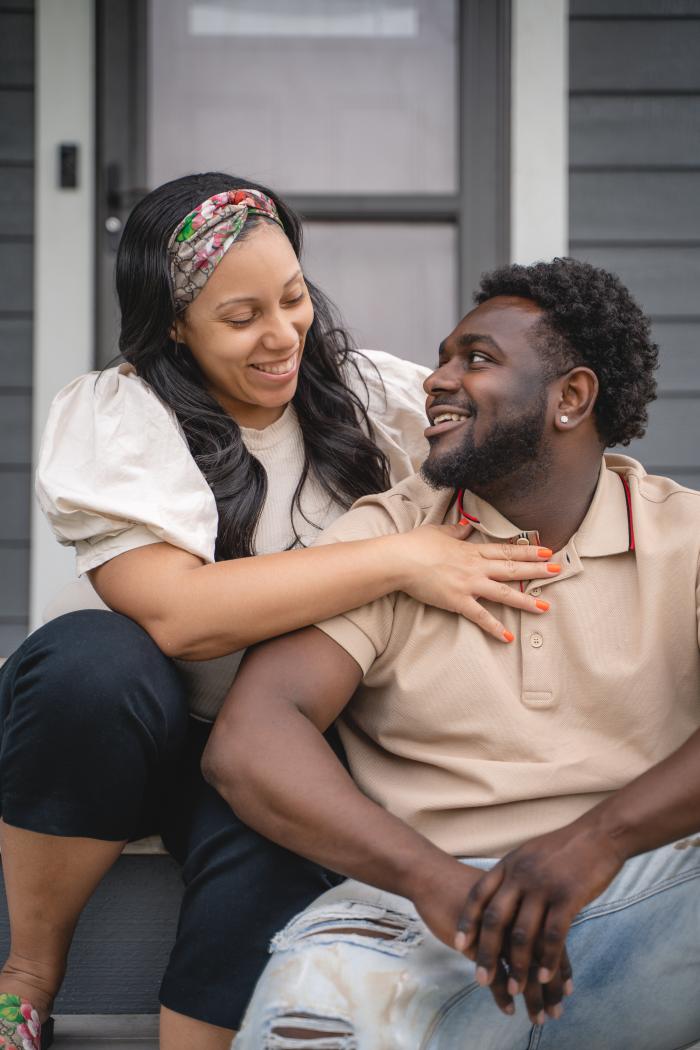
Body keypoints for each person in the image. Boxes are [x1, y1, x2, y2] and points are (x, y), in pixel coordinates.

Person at [0, 174, 556, 1050]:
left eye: (293, 298)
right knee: (92, 665)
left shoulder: (371, 396)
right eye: (240, 316)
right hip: (115, 728)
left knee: (276, 844)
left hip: (271, 726)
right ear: (174, 324)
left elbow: (517, 435)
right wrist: (403, 558)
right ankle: (26, 979)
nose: (281, 334)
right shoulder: (121, 415)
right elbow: (180, 617)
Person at [204, 258, 700, 1050]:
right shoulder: (390, 535)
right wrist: (431, 879)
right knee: (306, 1014)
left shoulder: (687, 538)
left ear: (571, 398)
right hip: (422, 919)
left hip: (645, 892)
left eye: (476, 358)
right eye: (442, 357)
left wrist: (596, 841)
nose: (436, 380)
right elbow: (253, 736)